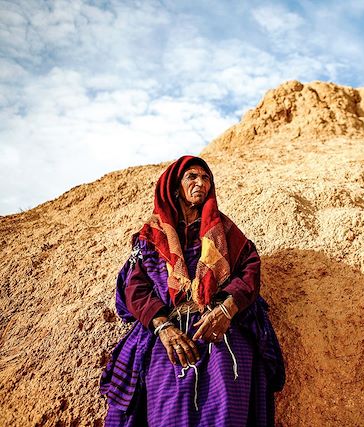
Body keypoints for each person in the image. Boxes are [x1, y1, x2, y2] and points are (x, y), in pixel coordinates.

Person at [100, 155, 285, 426]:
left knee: (228, 405)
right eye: (192, 177)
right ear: (176, 187)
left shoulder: (224, 230)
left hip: (219, 323)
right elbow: (135, 287)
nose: (201, 183)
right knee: (167, 407)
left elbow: (250, 269)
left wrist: (227, 309)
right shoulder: (151, 235)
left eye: (206, 178)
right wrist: (163, 327)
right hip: (168, 327)